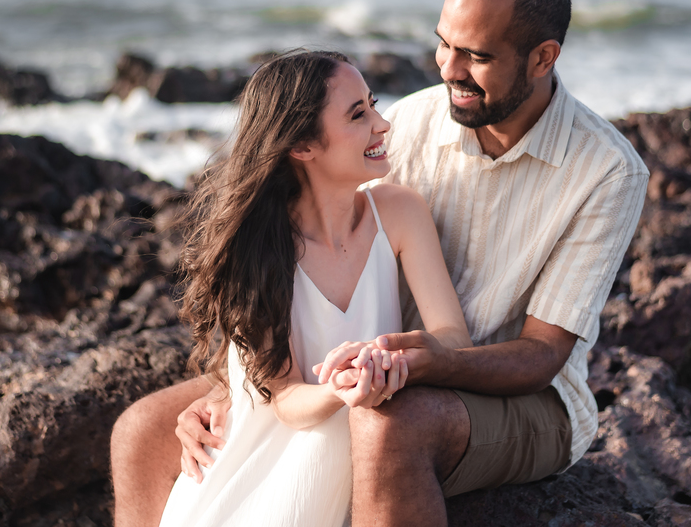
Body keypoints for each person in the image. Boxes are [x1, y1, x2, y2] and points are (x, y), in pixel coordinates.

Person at [111, 0, 649, 527]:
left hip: (523, 400)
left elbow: (541, 357)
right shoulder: (413, 122)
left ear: (543, 58)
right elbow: (313, 243)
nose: (449, 69)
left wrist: (409, 365)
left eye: (477, 56)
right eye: (444, 43)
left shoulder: (607, 171)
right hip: (363, 364)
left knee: (385, 424)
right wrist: (235, 387)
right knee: (142, 430)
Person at [152, 50, 471, 527]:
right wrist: (342, 390)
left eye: (374, 105)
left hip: (354, 431)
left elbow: (453, 340)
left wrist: (385, 361)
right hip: (255, 465)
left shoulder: (399, 213)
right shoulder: (258, 246)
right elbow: (284, 399)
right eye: (358, 114)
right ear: (302, 144)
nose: (382, 125)